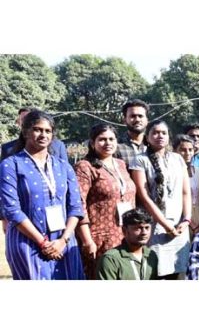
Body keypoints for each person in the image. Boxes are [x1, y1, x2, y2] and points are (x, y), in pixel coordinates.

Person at [0, 110, 84, 279]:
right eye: (37, 129)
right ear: (25, 132)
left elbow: (75, 207)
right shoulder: (10, 165)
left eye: (48, 131)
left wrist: (63, 240)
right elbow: (12, 210)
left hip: (64, 241)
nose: (43, 135)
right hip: (28, 243)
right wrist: (43, 242)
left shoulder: (64, 166)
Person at [131, 119, 192, 279]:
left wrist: (186, 220)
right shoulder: (140, 160)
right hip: (156, 227)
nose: (160, 136)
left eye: (163, 133)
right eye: (155, 133)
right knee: (156, 273)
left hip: (180, 227)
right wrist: (166, 226)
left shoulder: (178, 158)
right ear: (148, 136)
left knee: (177, 273)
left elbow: (186, 192)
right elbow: (144, 197)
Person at [74, 123, 137, 278]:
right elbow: (78, 204)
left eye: (111, 139)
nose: (108, 143)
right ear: (92, 143)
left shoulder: (121, 165)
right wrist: (87, 240)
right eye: (102, 139)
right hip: (100, 238)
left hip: (125, 235)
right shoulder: (85, 167)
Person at [97, 208, 158, 280]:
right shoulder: (111, 259)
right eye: (138, 228)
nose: (144, 233)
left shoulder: (151, 255)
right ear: (124, 230)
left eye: (147, 228)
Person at [1, 106, 69, 162]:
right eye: (22, 119)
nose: (24, 122)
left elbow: (65, 172)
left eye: (27, 119)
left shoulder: (58, 146)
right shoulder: (8, 149)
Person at [173, 134, 199, 235]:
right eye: (183, 150)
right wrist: (191, 224)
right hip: (180, 218)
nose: (187, 153)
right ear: (174, 150)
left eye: (190, 149)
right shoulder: (171, 173)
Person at [115, 99, 149, 168]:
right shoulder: (116, 146)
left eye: (140, 116)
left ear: (147, 120)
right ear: (124, 120)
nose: (137, 119)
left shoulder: (153, 144)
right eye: (133, 116)